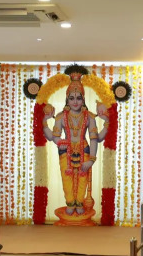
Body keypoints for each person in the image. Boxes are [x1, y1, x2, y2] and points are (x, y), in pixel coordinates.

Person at [42, 64, 108, 217]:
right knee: (67, 179)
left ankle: (79, 202)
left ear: (83, 99)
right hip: (66, 150)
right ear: (67, 99)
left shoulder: (89, 116)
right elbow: (53, 136)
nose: (75, 102)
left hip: (84, 149)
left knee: (83, 179)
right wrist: (48, 126)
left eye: (79, 98)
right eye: (71, 98)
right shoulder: (60, 116)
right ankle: (70, 202)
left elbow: (95, 138)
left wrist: (91, 160)